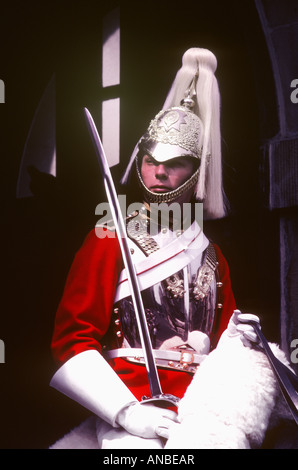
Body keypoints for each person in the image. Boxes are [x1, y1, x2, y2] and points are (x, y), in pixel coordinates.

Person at [49, 48, 290, 449]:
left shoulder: (211, 253)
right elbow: (72, 339)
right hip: (132, 405)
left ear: (196, 170)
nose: (159, 171)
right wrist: (125, 412)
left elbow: (219, 347)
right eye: (149, 160)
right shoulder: (110, 237)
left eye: (175, 162)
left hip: (205, 413)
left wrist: (239, 336)